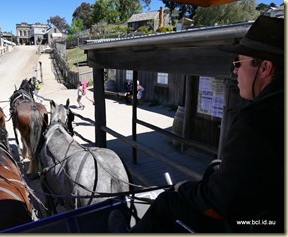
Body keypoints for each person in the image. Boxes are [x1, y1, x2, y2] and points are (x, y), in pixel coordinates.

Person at [110, 16, 284, 233]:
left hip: (255, 225)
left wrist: (184, 188)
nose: (234, 71)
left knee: (166, 202)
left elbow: (220, 199)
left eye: (238, 63)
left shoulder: (257, 119)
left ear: (265, 67)